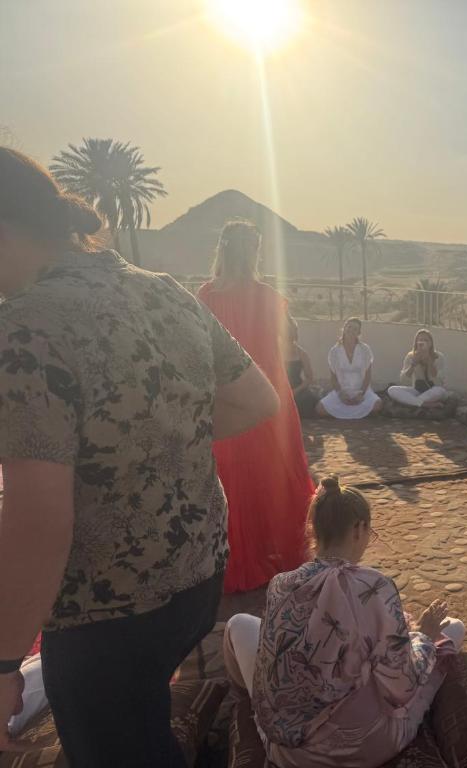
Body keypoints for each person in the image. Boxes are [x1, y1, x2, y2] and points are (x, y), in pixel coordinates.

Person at [0, 148, 279, 764]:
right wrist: (155, 438)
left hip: (108, 608)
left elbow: (39, 519)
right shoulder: (162, 291)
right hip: (197, 577)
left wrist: (4, 662)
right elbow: (257, 399)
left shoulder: (24, 325)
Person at [222, 478, 464, 768]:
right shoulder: (375, 587)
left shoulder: (281, 584)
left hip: (287, 752)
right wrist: (423, 636)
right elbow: (402, 685)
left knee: (239, 624)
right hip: (364, 747)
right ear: (359, 528)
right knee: (453, 628)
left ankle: (239, 705)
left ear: (315, 529)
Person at [198, 220, 317, 593]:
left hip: (229, 399)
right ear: (255, 253)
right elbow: (284, 343)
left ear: (221, 250)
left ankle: (235, 558)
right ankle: (282, 553)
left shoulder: (205, 296)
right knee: (276, 478)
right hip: (271, 396)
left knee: (232, 481)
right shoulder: (268, 296)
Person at [316, 317, 382, 419]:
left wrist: (361, 394)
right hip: (342, 392)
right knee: (320, 408)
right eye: (349, 327)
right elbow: (333, 378)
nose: (351, 330)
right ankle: (357, 413)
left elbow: (368, 376)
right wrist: (340, 394)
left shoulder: (365, 349)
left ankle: (344, 413)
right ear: (344, 328)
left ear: (359, 332)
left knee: (377, 404)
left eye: (355, 329)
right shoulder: (334, 351)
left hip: (361, 391)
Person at [386, 328, 449, 408]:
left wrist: (430, 363)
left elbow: (440, 380)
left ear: (431, 343)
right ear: (416, 343)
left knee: (439, 391)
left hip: (434, 391)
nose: (423, 343)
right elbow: (403, 380)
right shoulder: (410, 356)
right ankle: (424, 404)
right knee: (392, 390)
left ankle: (412, 402)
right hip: (417, 390)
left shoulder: (439, 357)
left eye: (426, 340)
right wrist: (413, 365)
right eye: (420, 340)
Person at [283, 315, 320, 418]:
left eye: (291, 330)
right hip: (281, 389)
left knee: (310, 401)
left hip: (298, 389)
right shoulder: (275, 352)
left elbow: (309, 378)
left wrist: (295, 391)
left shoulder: (302, 353)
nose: (289, 334)